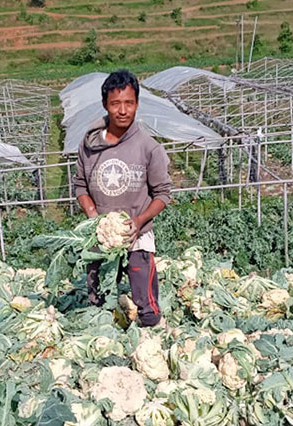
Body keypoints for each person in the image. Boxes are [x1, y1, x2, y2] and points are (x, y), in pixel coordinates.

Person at [71, 69, 172, 328]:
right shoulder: (89, 145)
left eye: (129, 103)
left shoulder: (149, 148)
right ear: (105, 104)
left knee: (146, 302)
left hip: (135, 237)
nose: (123, 110)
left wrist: (139, 221)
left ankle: (150, 337)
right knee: (99, 301)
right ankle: (106, 346)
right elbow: (80, 186)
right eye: (116, 104)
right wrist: (93, 217)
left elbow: (162, 194)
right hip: (100, 239)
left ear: (137, 104)